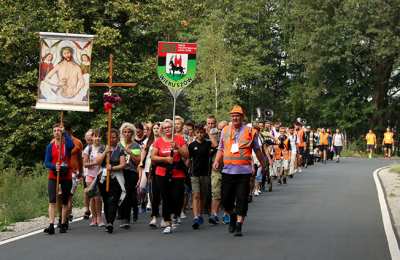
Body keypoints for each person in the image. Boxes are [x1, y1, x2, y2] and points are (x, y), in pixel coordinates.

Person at [213, 105, 266, 237]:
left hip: (244, 172)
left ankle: (239, 225)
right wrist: (217, 160)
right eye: (233, 115)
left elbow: (257, 150)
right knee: (226, 200)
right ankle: (232, 215)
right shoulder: (225, 130)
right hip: (227, 171)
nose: (235, 117)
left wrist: (263, 163)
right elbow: (220, 148)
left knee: (242, 199)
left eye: (238, 115)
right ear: (231, 117)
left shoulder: (250, 131)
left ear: (242, 117)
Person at [151, 119, 189, 234]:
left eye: (170, 127)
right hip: (162, 172)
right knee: (166, 197)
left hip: (177, 172)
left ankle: (176, 213)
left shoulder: (179, 139)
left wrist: (177, 147)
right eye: (165, 127)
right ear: (162, 129)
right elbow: (153, 157)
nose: (168, 129)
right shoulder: (158, 141)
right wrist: (165, 159)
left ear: (173, 128)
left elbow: (186, 155)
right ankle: (167, 221)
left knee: (177, 196)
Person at [44, 123, 74, 234]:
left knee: (65, 201)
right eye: (55, 130)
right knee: (52, 200)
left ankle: (63, 223)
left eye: (59, 130)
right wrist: (53, 166)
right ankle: (51, 225)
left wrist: (65, 132)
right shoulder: (50, 146)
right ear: (53, 133)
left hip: (66, 175)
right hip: (53, 175)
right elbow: (46, 162)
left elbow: (72, 145)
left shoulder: (67, 145)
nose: (57, 132)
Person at [97, 129, 126, 233]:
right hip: (103, 177)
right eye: (110, 137)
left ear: (117, 138)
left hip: (116, 177)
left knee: (113, 200)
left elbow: (123, 164)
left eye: (114, 137)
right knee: (105, 200)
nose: (112, 139)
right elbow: (98, 162)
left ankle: (110, 223)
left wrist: (112, 168)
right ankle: (108, 220)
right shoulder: (102, 147)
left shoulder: (120, 148)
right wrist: (105, 152)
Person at [189, 124, 216, 229]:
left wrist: (209, 132)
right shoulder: (192, 145)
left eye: (201, 132)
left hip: (205, 174)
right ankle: (196, 217)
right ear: (195, 133)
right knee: (196, 195)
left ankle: (200, 213)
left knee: (203, 196)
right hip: (194, 174)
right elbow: (188, 158)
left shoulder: (207, 144)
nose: (200, 134)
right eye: (198, 133)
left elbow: (215, 144)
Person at [119, 123, 141, 228]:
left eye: (129, 132)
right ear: (122, 133)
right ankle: (122, 213)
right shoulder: (119, 145)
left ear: (132, 133)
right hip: (120, 171)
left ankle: (127, 217)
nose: (127, 134)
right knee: (121, 193)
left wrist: (130, 152)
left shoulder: (135, 145)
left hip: (131, 172)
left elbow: (137, 161)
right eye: (125, 132)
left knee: (128, 194)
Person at [82, 129, 104, 227]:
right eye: (95, 136)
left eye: (99, 136)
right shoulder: (88, 148)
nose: (97, 138)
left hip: (99, 175)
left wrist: (96, 163)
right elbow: (85, 164)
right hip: (90, 175)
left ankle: (99, 217)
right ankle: (93, 218)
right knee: (91, 197)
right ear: (92, 138)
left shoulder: (103, 148)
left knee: (98, 197)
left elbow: (103, 162)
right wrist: (95, 162)